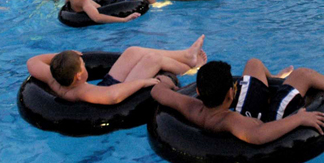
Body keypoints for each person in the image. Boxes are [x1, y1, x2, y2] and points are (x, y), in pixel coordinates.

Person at [151, 57, 324, 145]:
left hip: (244, 110)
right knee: (304, 74)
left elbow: (158, 93)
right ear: (231, 92)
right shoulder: (229, 122)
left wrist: (167, 82)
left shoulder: (192, 106)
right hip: (269, 120)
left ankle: (276, 79)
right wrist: (298, 119)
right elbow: (259, 135)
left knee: (253, 64)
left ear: (198, 90)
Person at [26, 35, 208, 105]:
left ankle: (186, 55)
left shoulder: (53, 77)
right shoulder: (81, 91)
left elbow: (32, 61)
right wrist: (142, 82)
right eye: (82, 65)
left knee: (132, 51)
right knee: (153, 60)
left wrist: (62, 55)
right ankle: (191, 69)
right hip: (119, 90)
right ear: (79, 75)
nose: (85, 64)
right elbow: (113, 96)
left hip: (107, 84)